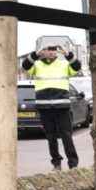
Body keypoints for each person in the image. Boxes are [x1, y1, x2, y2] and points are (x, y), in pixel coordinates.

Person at [21, 43, 82, 171]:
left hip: (62, 105)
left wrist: (66, 53)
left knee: (66, 135)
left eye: (53, 50)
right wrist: (36, 53)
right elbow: (25, 66)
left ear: (56, 52)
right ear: (44, 52)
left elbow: (77, 67)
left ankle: (73, 164)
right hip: (44, 106)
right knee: (51, 136)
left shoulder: (64, 64)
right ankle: (56, 163)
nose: (51, 52)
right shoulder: (37, 65)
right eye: (48, 49)